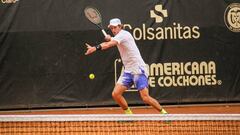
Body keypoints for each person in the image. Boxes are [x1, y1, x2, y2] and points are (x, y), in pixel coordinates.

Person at [85, 18, 168, 114]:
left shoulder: (124, 34)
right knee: (116, 94)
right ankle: (129, 114)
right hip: (128, 71)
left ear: (120, 26)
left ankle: (164, 113)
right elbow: (108, 42)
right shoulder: (118, 37)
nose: (113, 30)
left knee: (145, 98)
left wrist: (95, 48)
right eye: (111, 28)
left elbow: (109, 44)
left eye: (115, 27)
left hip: (138, 69)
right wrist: (106, 41)